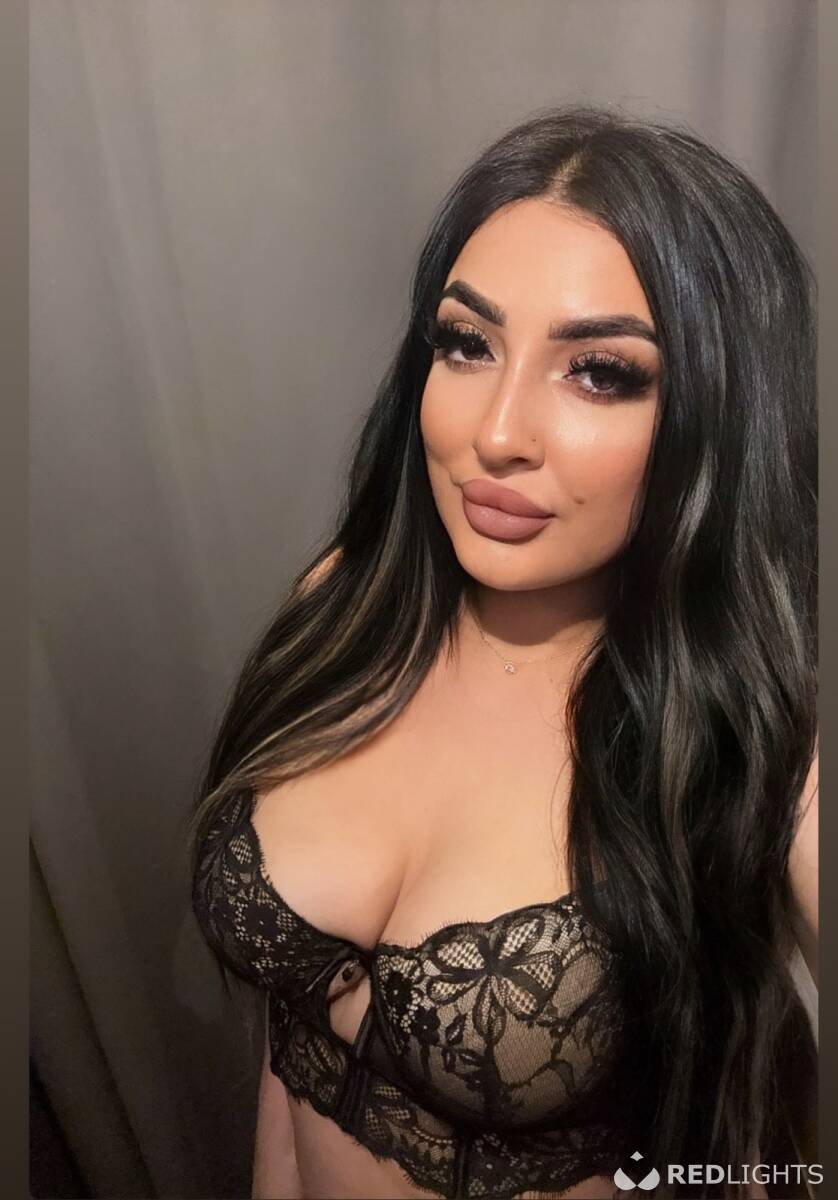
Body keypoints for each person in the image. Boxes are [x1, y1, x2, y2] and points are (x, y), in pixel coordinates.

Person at [188, 105, 819, 1200]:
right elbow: (295, 1054)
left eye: (601, 372)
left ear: (718, 416)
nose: (496, 433)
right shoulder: (348, 603)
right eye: (467, 344)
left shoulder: (761, 744)